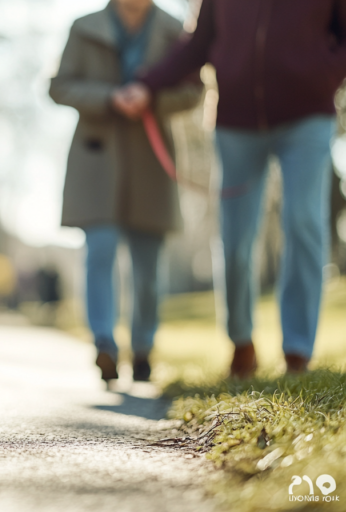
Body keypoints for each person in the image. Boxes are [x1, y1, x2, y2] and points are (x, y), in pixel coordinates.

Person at [118, 0, 346, 377]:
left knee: (304, 221)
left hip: (307, 115)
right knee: (236, 239)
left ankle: (298, 351)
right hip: (236, 123)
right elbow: (197, 44)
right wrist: (146, 84)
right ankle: (241, 342)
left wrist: (323, 74)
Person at [49, 0, 202, 382]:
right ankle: (104, 342)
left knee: (148, 265)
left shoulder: (174, 29)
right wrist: (108, 98)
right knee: (99, 251)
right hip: (96, 158)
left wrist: (153, 99)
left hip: (151, 156)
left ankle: (144, 347)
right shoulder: (83, 27)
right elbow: (60, 86)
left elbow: (194, 90)